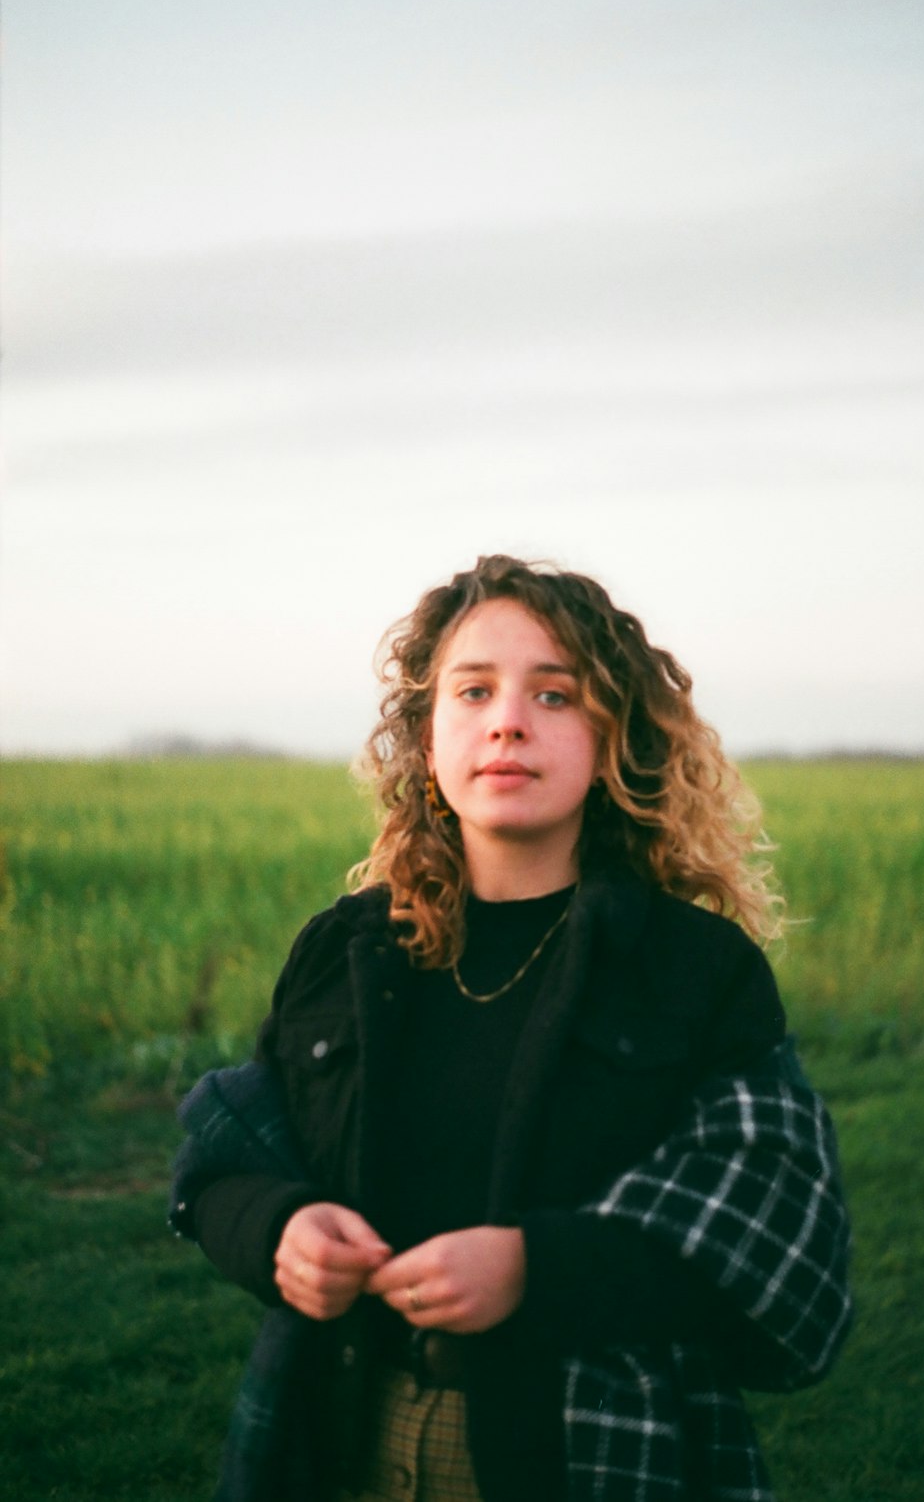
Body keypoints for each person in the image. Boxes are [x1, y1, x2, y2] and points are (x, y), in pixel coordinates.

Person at [170, 554, 852, 1502]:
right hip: (335, 1439)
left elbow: (778, 1237)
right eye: (474, 689)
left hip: (586, 1454)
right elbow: (221, 1160)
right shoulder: (344, 950)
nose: (507, 720)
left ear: (615, 734)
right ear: (427, 731)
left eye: (556, 695)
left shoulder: (694, 970)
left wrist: (536, 1270)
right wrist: (274, 1227)